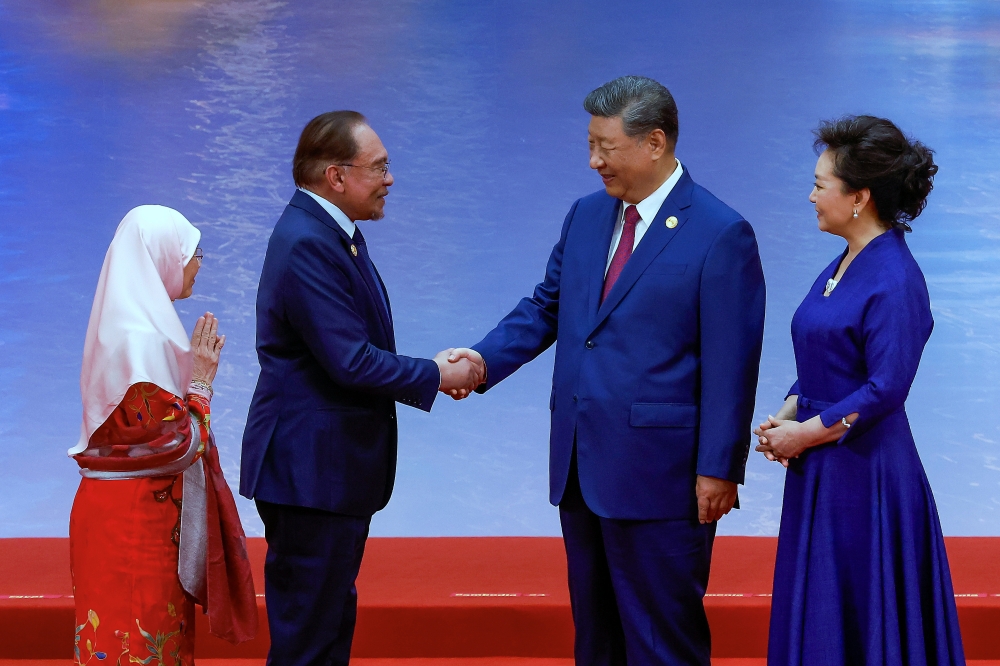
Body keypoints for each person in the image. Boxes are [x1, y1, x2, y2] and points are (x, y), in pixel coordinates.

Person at [450, 76, 766, 665]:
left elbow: (733, 364)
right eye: (590, 145)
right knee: (596, 641)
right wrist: (483, 359)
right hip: (581, 468)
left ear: (655, 142)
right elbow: (547, 306)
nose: (594, 161)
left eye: (606, 147)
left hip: (663, 478)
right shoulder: (587, 215)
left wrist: (720, 468)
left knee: (662, 643)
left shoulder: (721, 233)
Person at [239, 111, 483, 666]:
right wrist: (435, 374)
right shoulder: (309, 242)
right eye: (380, 167)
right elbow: (350, 361)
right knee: (309, 644)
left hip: (327, 477)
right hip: (310, 478)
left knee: (325, 633)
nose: (389, 179)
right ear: (336, 176)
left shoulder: (332, 233)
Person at [754, 115, 965, 665]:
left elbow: (885, 388)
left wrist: (806, 433)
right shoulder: (846, 261)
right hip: (821, 463)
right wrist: (788, 412)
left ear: (859, 197)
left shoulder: (895, 279)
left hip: (864, 475)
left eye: (820, 184)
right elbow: (827, 352)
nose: (810, 196)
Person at [69, 206, 257, 664]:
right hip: (135, 522)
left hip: (120, 510)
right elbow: (177, 445)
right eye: (192, 252)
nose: (198, 263)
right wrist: (202, 384)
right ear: (162, 257)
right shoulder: (141, 342)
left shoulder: (122, 329)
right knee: (139, 642)